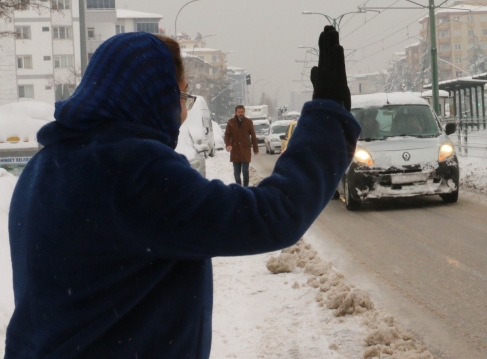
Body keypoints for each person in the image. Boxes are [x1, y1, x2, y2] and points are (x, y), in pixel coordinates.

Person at [5, 27, 357, 358]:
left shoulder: (43, 168)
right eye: (182, 95)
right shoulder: (131, 168)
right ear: (157, 95)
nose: (182, 111)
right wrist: (329, 117)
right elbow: (271, 215)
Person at [224, 104, 259, 185]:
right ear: (236, 112)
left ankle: (246, 188)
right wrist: (228, 144)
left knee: (245, 172)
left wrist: (255, 149)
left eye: (242, 112)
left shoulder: (249, 122)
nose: (241, 113)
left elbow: (253, 136)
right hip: (235, 151)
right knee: (237, 173)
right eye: (239, 112)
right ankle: (239, 188)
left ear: (244, 112)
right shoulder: (230, 122)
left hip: (245, 150)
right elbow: (227, 135)